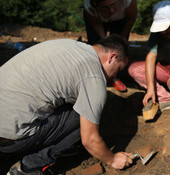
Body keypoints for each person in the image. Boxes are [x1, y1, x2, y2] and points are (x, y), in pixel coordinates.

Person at [0, 35, 135, 174]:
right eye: (118, 70)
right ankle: (29, 167)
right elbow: (89, 140)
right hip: (11, 139)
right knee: (84, 116)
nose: (113, 78)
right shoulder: (94, 75)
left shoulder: (69, 45)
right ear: (112, 57)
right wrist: (112, 159)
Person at [128, 1, 170, 112]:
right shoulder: (158, 33)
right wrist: (150, 89)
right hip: (166, 68)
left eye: (167, 26)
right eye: (161, 28)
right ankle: (164, 98)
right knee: (134, 69)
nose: (164, 31)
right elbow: (151, 57)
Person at [83, 0, 138, 92]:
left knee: (120, 49)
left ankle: (115, 77)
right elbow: (96, 23)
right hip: (98, 19)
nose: (111, 10)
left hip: (121, 19)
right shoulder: (90, 5)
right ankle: (93, 76)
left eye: (114, 4)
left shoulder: (128, 2)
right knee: (96, 45)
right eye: (105, 7)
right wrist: (103, 41)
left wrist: (123, 36)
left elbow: (131, 18)